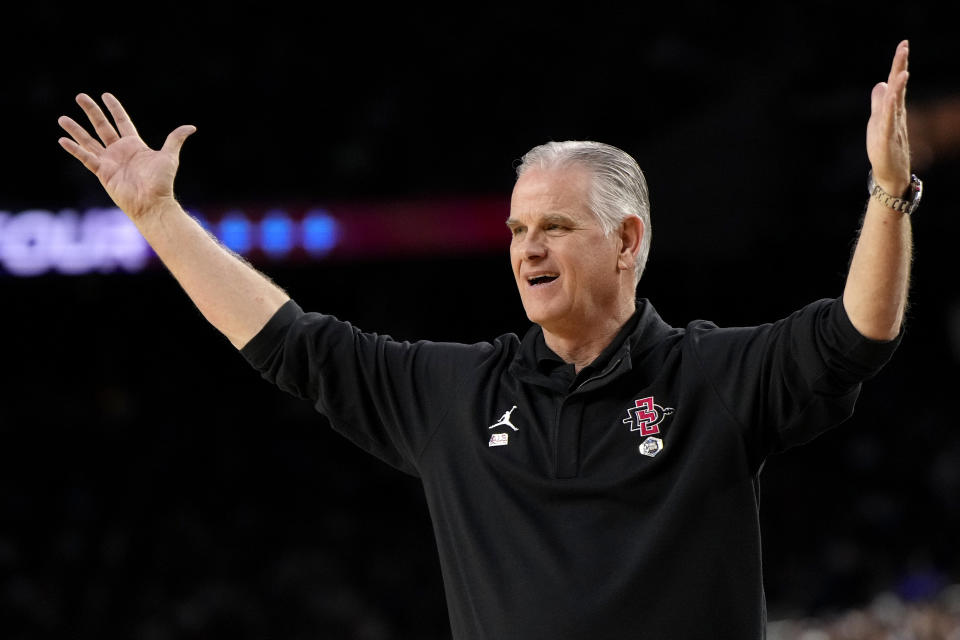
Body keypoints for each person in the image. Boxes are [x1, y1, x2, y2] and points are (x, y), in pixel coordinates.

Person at [57, 41, 917, 640]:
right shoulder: (455, 395)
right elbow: (292, 344)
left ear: (626, 241)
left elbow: (856, 337)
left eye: (553, 226)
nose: (527, 248)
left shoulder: (715, 375)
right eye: (515, 230)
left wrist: (888, 192)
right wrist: (160, 219)